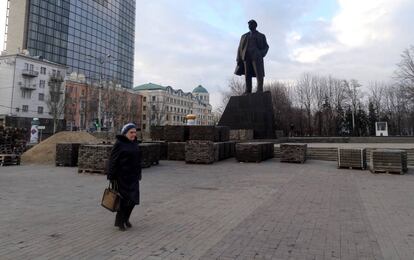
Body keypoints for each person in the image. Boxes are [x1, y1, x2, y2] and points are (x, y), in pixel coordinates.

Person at [107, 123, 142, 231]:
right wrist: (111, 176)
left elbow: (138, 160)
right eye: (131, 132)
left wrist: (139, 173)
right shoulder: (119, 144)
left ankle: (126, 218)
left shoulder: (135, 143)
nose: (134, 135)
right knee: (123, 201)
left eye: (135, 132)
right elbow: (112, 161)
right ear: (125, 133)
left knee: (133, 200)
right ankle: (120, 222)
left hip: (133, 177)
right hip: (122, 177)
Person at [235, 19, 269, 94]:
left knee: (258, 73)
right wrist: (238, 58)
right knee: (247, 74)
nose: (249, 26)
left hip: (256, 56)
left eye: (251, 24)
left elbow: (266, 47)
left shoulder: (261, 36)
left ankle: (259, 89)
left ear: (255, 26)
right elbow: (240, 48)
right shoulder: (244, 36)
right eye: (249, 24)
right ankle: (248, 90)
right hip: (246, 57)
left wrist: (261, 54)